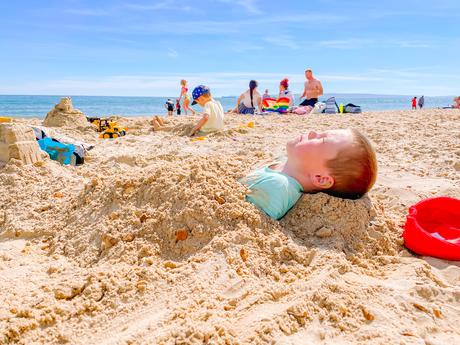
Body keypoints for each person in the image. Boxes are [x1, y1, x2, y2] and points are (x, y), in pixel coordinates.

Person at [240, 129, 377, 220]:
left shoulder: (277, 186)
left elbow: (245, 220)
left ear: (321, 178)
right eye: (321, 133)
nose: (312, 133)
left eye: (321, 140)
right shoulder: (284, 166)